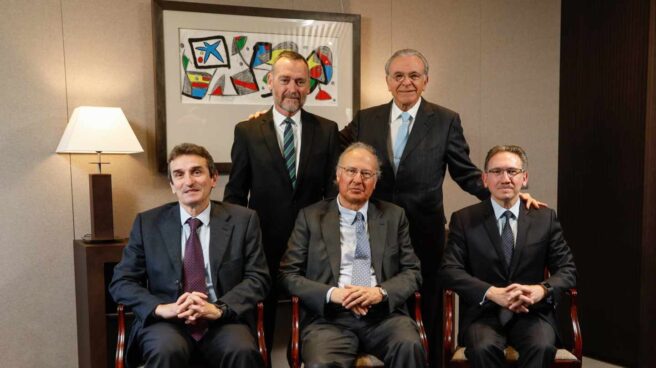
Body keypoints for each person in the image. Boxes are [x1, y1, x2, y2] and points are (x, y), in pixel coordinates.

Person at [339, 49, 543, 365]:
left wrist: (508, 197)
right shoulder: (368, 118)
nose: (406, 82)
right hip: (375, 230)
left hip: (425, 233)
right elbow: (330, 150)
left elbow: (465, 171)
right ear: (388, 81)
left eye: (414, 75)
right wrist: (271, 118)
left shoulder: (445, 120)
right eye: (399, 76)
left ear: (426, 81)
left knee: (430, 311)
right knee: (380, 304)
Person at [110, 143, 270, 368]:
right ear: (172, 185)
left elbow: (258, 278)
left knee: (241, 351)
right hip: (167, 322)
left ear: (213, 178)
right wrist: (162, 309)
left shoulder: (243, 220)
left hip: (222, 319)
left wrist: (219, 309)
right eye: (179, 174)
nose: (189, 181)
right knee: (166, 351)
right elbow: (122, 282)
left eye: (197, 172)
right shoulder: (148, 223)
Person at [223, 50, 340, 351]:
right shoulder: (247, 131)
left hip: (313, 243)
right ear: (270, 81)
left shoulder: (327, 131)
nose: (293, 89)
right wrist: (234, 241)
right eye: (285, 80)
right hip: (263, 241)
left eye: (300, 82)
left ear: (309, 85)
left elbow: (332, 192)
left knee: (312, 321)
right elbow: (236, 193)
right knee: (262, 319)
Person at [279, 142, 426, 367]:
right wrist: (332, 294)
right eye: (351, 171)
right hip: (330, 319)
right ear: (338, 175)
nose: (358, 179)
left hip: (383, 317)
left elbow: (412, 272)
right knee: (321, 362)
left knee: (410, 346)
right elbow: (288, 274)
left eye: (366, 173)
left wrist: (381, 292)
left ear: (375, 182)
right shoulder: (310, 217)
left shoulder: (394, 216)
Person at [439, 145, 577, 368]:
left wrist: (541, 290)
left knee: (541, 347)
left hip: (532, 313)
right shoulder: (464, 220)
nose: (505, 178)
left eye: (512, 172)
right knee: (483, 348)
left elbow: (567, 270)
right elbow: (449, 271)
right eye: (497, 172)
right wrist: (492, 293)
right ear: (485, 179)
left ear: (524, 178)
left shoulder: (545, 218)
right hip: (484, 314)